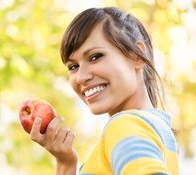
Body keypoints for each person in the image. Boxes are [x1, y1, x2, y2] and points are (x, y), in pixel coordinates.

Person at [29, 6, 179, 175]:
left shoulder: (124, 126)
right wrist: (66, 164)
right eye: (73, 66)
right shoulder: (159, 130)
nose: (80, 77)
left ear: (136, 55)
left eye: (95, 57)